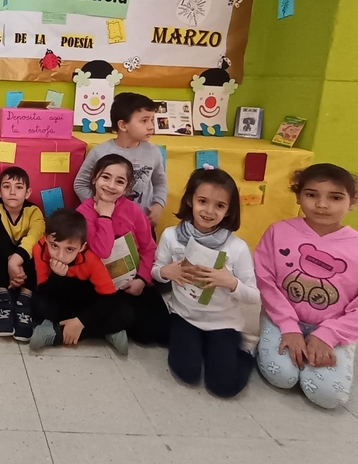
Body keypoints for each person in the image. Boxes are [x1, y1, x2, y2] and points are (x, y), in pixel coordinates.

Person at [255, 163, 358, 409]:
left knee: (327, 396)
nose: (322, 205)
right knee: (281, 376)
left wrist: (328, 335)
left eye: (335, 197)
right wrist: (289, 327)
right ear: (299, 196)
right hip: (281, 319)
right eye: (312, 195)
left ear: (352, 202)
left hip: (336, 328)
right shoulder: (278, 231)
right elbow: (265, 279)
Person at [153, 169, 258, 398]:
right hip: (184, 317)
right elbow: (156, 272)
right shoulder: (171, 236)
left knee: (223, 386)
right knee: (187, 373)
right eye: (202, 201)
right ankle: (199, 347)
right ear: (190, 200)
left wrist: (230, 283)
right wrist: (165, 271)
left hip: (223, 323)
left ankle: (245, 354)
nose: (209, 211)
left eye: (220, 206)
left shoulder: (236, 247)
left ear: (229, 210)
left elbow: (254, 295)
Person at [77, 154, 169, 345]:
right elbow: (102, 251)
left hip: (132, 280)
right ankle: (111, 327)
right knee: (121, 315)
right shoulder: (83, 213)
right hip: (98, 286)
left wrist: (142, 280)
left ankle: (113, 326)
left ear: (127, 188)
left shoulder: (134, 211)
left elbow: (148, 248)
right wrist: (104, 215)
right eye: (105, 177)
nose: (111, 185)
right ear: (94, 178)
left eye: (119, 181)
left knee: (156, 335)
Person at [30, 209, 133, 354]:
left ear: (82, 247)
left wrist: (80, 322)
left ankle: (57, 333)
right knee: (37, 305)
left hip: (86, 300)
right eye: (54, 246)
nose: (60, 255)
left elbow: (110, 298)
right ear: (46, 238)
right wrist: (58, 275)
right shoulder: (39, 249)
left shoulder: (90, 257)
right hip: (59, 298)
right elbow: (43, 291)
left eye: (69, 249)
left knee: (126, 313)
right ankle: (107, 330)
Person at [74, 92, 167, 226]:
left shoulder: (154, 152)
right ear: (123, 125)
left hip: (140, 223)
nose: (151, 126)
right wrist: (95, 206)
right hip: (105, 222)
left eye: (152, 120)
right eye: (144, 120)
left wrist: (159, 205)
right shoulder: (100, 152)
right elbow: (80, 183)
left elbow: (160, 182)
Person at [0, 166, 45, 342]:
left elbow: (35, 235)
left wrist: (16, 261)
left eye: (19, 187)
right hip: (4, 260)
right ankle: (3, 298)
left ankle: (24, 301)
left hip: (23, 261)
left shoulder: (34, 211)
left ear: (28, 192)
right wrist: (11, 261)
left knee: (36, 250)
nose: (12, 192)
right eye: (6, 186)